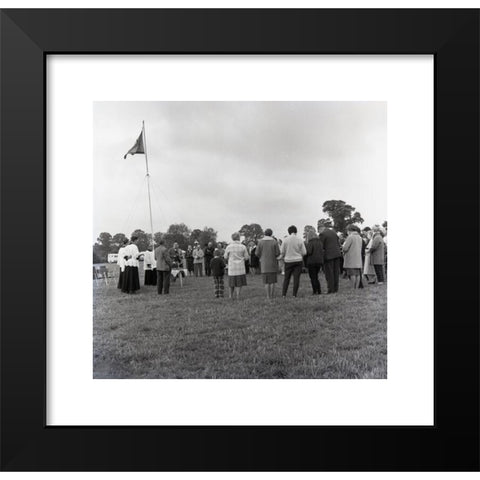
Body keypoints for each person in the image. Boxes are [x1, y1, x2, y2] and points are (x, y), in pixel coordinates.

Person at [279, 225, 306, 298]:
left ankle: (284, 294)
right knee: (296, 278)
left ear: (289, 232)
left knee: (286, 278)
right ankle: (294, 294)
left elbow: (282, 251)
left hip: (288, 260)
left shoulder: (285, 240)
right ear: (296, 231)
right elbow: (304, 252)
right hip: (298, 260)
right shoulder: (299, 239)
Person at [255, 228, 281, 299]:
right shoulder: (274, 242)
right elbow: (277, 253)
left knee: (266, 282)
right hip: (273, 263)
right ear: (271, 234)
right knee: (272, 281)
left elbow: (257, 253)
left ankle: (268, 296)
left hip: (264, 264)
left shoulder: (260, 242)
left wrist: (261, 256)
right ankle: (272, 296)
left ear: (264, 233)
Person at [318, 219, 342, 294]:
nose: (318, 232)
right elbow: (338, 243)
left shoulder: (322, 234)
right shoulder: (333, 232)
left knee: (329, 273)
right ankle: (335, 288)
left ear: (320, 229)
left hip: (328, 256)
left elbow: (320, 246)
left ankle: (331, 289)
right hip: (337, 254)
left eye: (318, 231)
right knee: (336, 272)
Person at [224, 232, 249, 299]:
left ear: (232, 238)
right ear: (239, 238)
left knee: (231, 283)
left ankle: (230, 296)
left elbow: (225, 257)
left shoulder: (228, 247)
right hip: (240, 267)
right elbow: (247, 257)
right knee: (239, 283)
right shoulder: (243, 246)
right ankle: (238, 295)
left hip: (232, 267)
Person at [342, 224, 363, 289]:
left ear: (349, 230)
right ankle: (356, 288)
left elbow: (345, 248)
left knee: (352, 274)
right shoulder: (359, 237)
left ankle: (352, 287)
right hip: (358, 257)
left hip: (351, 257)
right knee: (357, 274)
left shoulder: (350, 237)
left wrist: (342, 247)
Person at [305, 230, 324, 295]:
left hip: (312, 261)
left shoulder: (310, 242)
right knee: (316, 276)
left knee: (313, 277)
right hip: (319, 261)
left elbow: (309, 252)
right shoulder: (320, 242)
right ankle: (319, 290)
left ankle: (315, 290)